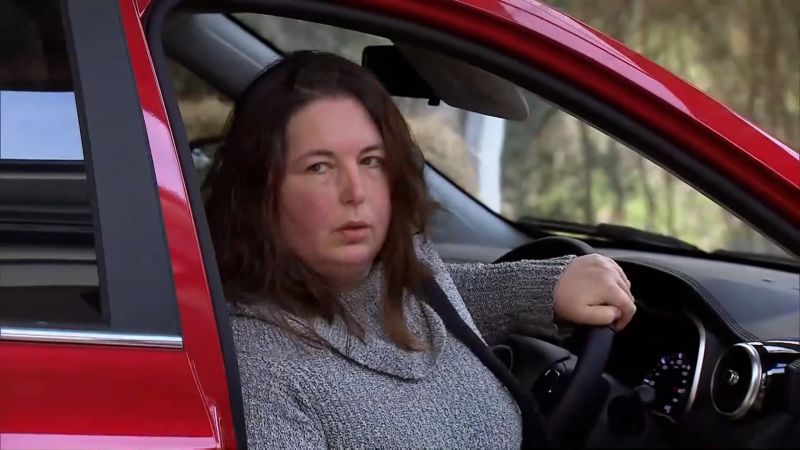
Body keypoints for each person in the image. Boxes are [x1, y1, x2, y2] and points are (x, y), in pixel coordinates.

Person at [204, 51, 636, 449]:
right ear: (260, 192)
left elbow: (433, 296)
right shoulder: (259, 371)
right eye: (319, 166)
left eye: (370, 161)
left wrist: (543, 288)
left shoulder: (404, 266)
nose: (355, 191)